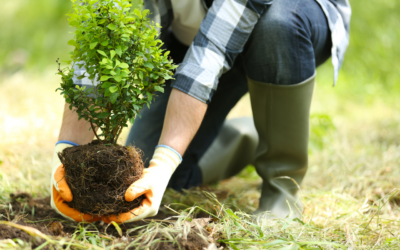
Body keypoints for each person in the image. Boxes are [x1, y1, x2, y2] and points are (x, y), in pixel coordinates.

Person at [50, 0, 351, 223]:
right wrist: (66, 153)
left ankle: (281, 188)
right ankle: (249, 135)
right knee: (147, 181)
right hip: (188, 36)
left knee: (277, 26)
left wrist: (166, 160)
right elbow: (111, 30)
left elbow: (212, 52)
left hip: (289, 20)